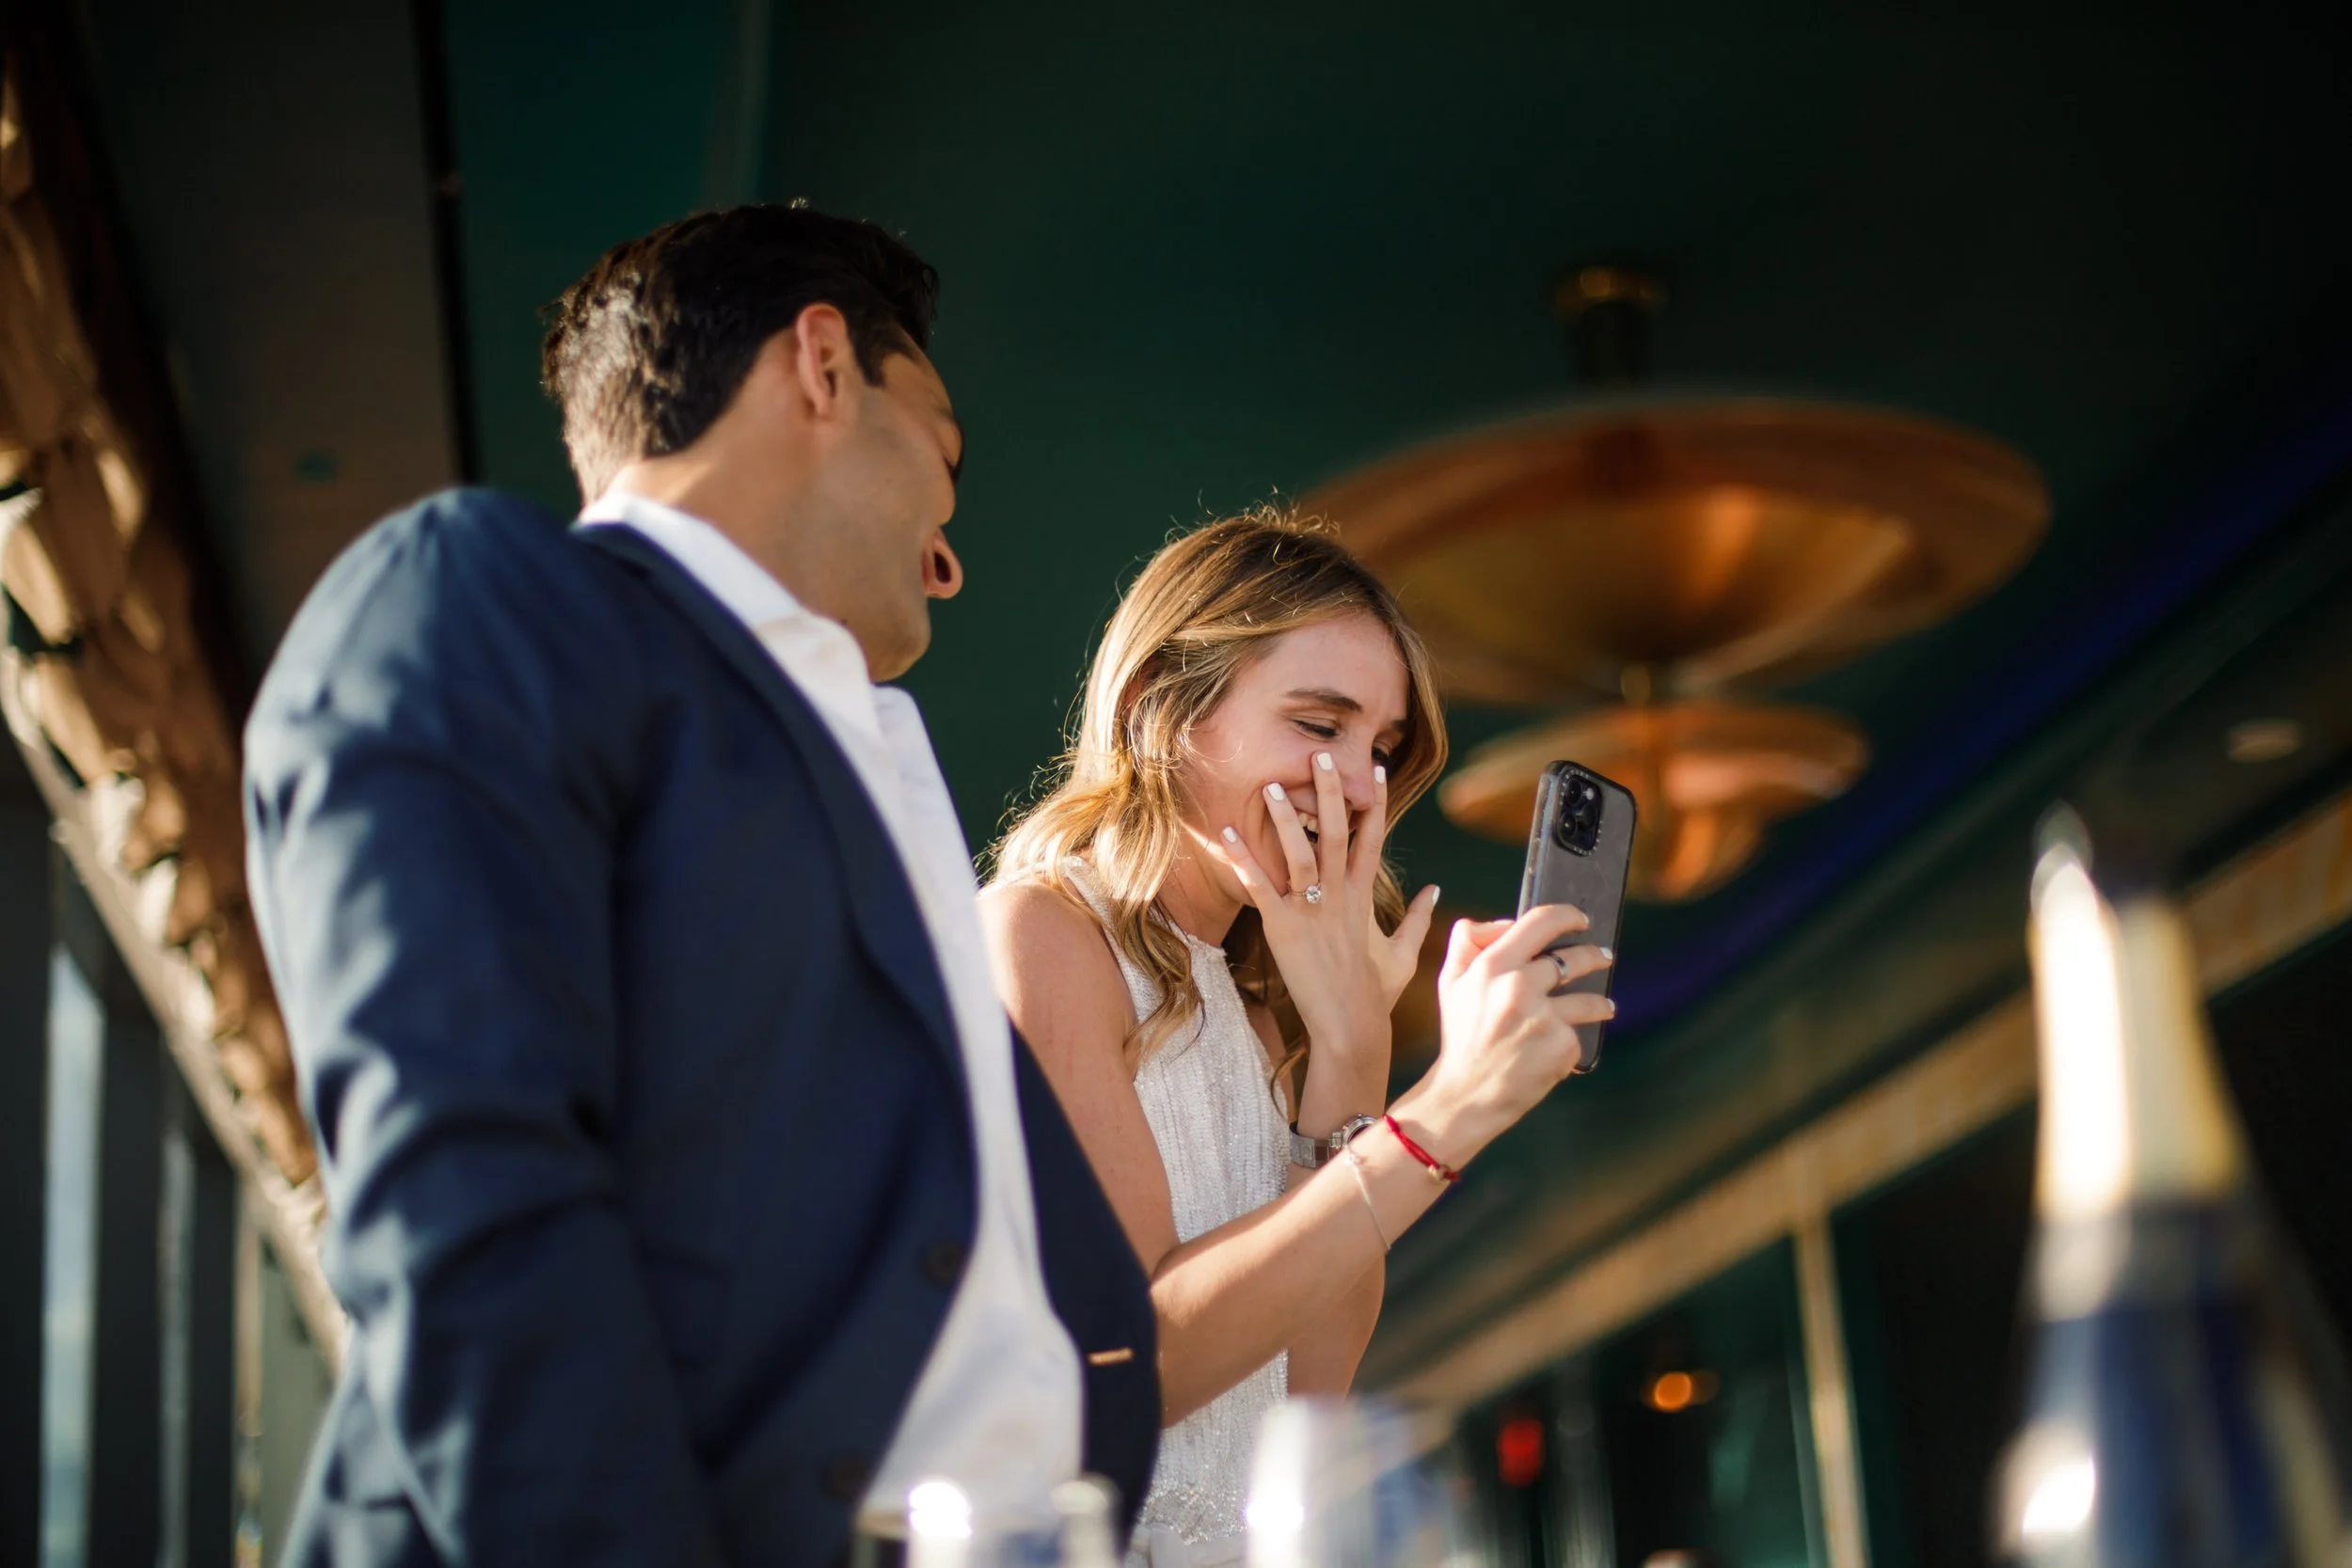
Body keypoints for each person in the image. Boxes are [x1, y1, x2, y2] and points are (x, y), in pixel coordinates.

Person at [241, 205, 1158, 1566]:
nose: (950, 555)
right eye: (945, 456)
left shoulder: (852, 753)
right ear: (823, 365)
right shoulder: (488, 601)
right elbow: (468, 1194)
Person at [983, 510, 1614, 1564]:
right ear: (1160, 708)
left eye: (1381, 749)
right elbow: (1130, 1365)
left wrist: (1352, 1043)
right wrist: (1449, 1107)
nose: (1361, 785)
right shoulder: (1040, 931)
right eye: (1320, 725)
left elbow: (1303, 1396)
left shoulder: (1256, 1010)